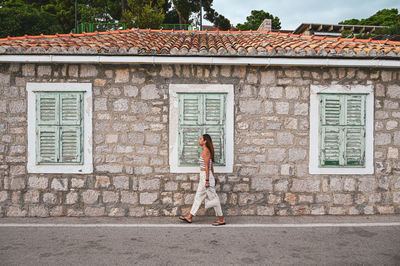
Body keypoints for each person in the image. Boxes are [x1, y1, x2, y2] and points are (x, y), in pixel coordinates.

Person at [179, 134, 226, 226]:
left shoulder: (206, 152)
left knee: (213, 198)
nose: (199, 140)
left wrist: (208, 180)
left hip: (206, 177)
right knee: (198, 197)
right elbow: (211, 166)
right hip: (204, 177)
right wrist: (213, 176)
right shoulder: (206, 151)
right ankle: (190, 217)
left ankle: (221, 219)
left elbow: (208, 168)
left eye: (201, 139)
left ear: (205, 141)